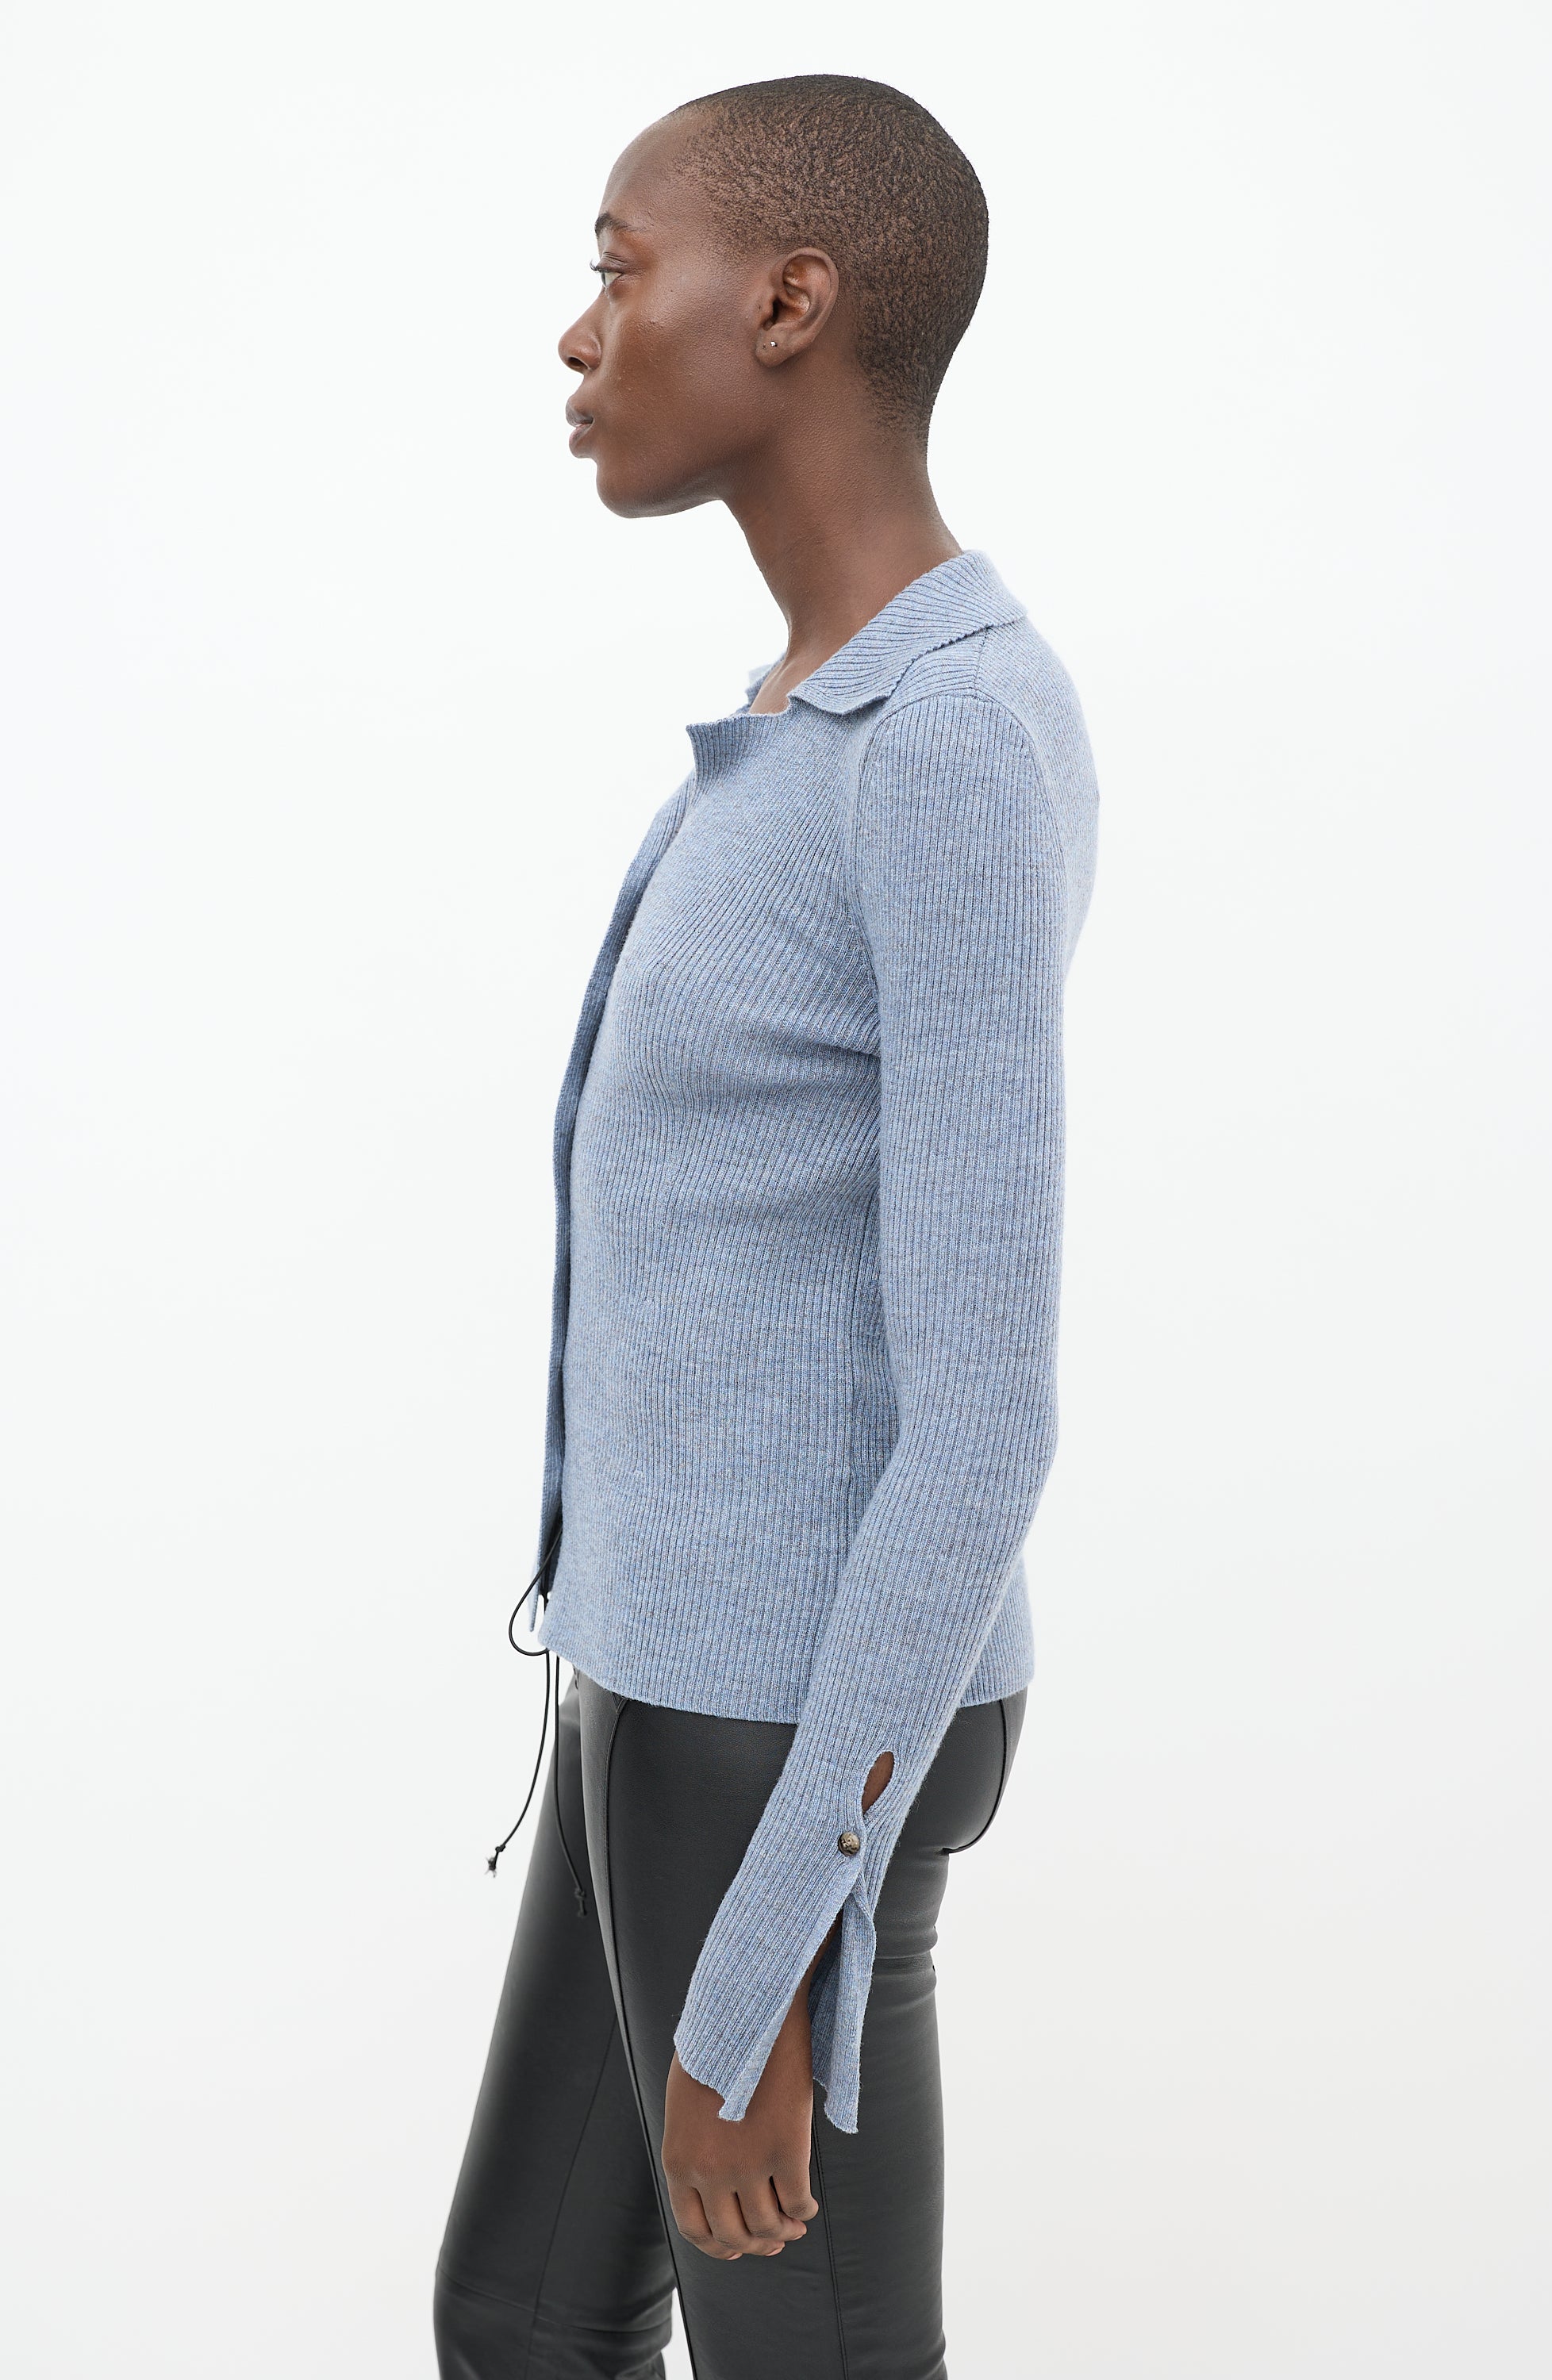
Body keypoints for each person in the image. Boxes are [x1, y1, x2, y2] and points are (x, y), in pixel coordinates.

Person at [435, 72, 1099, 2380]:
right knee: (522, 2320)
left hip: (789, 1730)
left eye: (623, 271)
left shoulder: (947, 743)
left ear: (792, 304)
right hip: (657, 1688)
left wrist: (766, 1967)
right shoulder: (808, 721)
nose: (581, 332)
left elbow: (988, 1413)